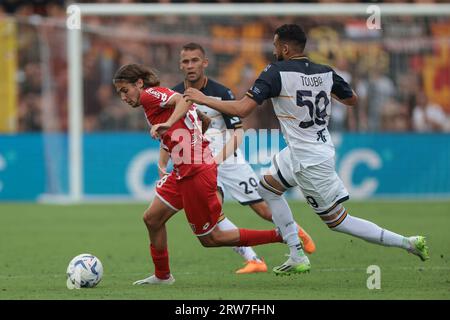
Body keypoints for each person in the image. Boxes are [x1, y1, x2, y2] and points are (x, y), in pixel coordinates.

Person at [184, 24, 429, 276]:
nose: (274, 50)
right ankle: (296, 253)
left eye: (276, 45)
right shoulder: (325, 72)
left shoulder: (275, 72)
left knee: (338, 221)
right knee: (266, 187)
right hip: (304, 149)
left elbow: (242, 110)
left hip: (309, 160)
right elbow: (352, 99)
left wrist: (202, 98)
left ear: (286, 48)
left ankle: (407, 242)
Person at [113, 64, 287, 285]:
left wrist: (167, 124)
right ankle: (162, 276)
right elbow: (203, 118)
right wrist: (188, 136)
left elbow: (185, 100)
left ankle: (280, 235)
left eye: (125, 90)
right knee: (152, 219)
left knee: (211, 238)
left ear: (138, 83)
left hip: (195, 171)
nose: (123, 97)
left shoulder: (149, 95)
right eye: (120, 93)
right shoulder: (154, 100)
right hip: (184, 169)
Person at [158, 42, 315, 274]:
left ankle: (295, 231)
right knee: (214, 216)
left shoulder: (221, 92)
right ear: (180, 65)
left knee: (262, 210)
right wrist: (162, 162)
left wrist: (218, 160)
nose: (190, 65)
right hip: (198, 165)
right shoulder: (174, 95)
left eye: (194, 60)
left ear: (205, 63)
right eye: (185, 61)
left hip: (228, 161)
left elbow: (238, 132)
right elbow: (170, 133)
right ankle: (254, 259)